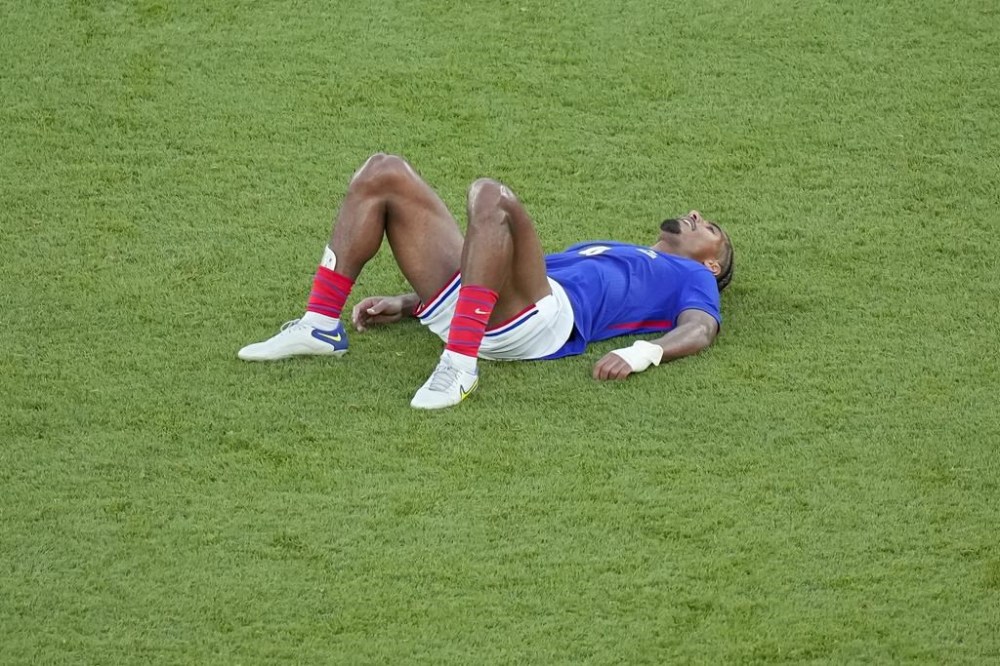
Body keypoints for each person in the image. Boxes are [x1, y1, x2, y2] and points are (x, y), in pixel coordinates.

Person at [238, 153, 734, 410]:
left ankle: (458, 367)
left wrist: (644, 353)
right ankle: (319, 324)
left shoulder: (693, 277)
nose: (695, 216)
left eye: (709, 228)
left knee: (490, 196)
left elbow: (701, 329)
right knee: (383, 171)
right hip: (494, 309)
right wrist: (411, 302)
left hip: (542, 324)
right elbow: (493, 262)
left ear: (712, 264)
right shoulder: (617, 251)